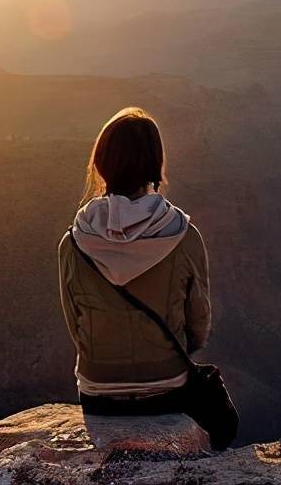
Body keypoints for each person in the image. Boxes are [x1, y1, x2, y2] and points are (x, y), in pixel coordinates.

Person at [58, 106, 224, 440]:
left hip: (98, 394)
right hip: (167, 387)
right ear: (154, 163)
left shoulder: (74, 242)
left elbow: (74, 323)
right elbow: (199, 323)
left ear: (102, 163)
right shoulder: (184, 236)